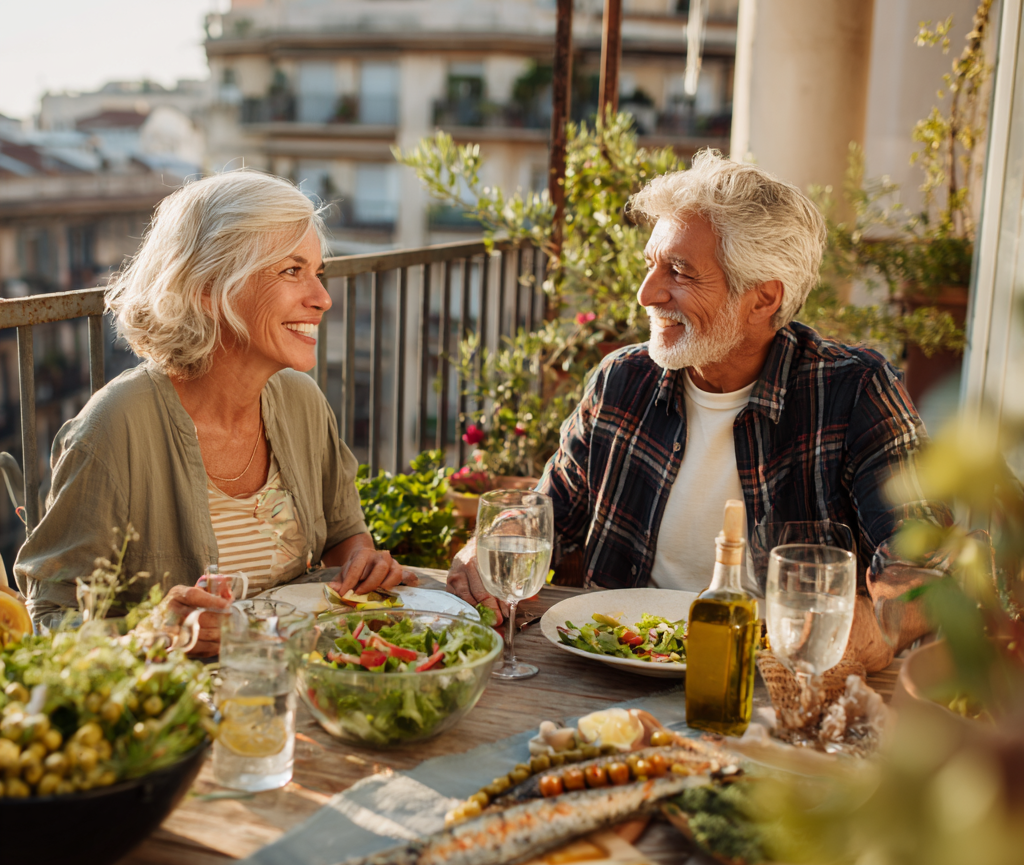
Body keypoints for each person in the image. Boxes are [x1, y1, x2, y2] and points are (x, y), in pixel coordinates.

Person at [447, 150, 950, 670]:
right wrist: (490, 547)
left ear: (763, 300)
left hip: (774, 684)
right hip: (614, 670)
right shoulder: (622, 380)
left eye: (680, 272)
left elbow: (926, 569)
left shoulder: (854, 390)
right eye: (651, 265)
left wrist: (879, 625)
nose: (647, 293)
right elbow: (546, 517)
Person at [15, 169, 413, 653]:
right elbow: (50, 617)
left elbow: (344, 533)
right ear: (208, 287)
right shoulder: (116, 426)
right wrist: (154, 631)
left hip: (299, 692)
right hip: (179, 713)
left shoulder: (301, 401)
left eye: (318, 272)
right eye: (292, 271)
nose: (323, 299)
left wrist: (361, 562)